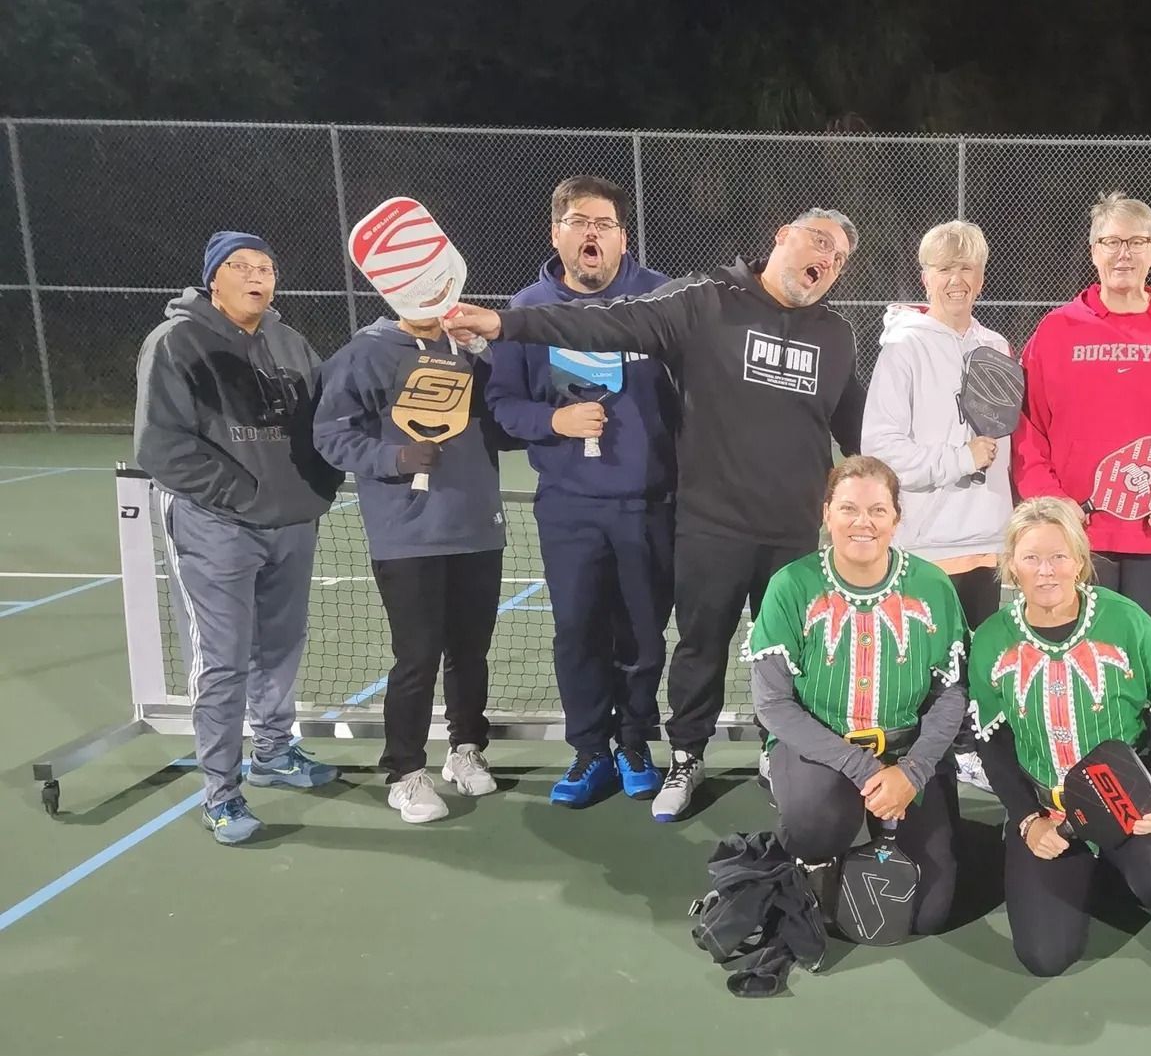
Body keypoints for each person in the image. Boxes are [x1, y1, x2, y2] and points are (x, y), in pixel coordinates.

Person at [444, 208, 866, 822]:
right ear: (782, 237)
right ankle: (688, 756)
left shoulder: (836, 334)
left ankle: (780, 753)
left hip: (795, 532)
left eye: (840, 258)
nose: (827, 260)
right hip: (712, 524)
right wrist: (506, 324)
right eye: (820, 242)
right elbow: (605, 321)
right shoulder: (705, 300)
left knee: (790, 655)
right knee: (699, 651)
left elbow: (860, 426)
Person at [133, 231, 342, 845]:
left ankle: (274, 752)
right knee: (223, 661)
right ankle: (220, 792)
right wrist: (244, 496)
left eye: (267, 268)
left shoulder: (290, 342)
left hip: (290, 524)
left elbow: (322, 421)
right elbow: (161, 447)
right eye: (242, 266)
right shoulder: (175, 342)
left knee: (281, 645)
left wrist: (315, 488)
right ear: (213, 280)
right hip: (217, 526)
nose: (257, 276)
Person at [483, 175, 678, 808]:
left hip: (650, 503)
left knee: (644, 637)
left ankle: (635, 742)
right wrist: (555, 421)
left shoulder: (661, 299)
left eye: (604, 225)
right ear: (556, 233)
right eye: (579, 223)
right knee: (577, 633)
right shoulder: (526, 309)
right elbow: (501, 404)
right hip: (568, 506)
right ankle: (591, 750)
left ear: (623, 238)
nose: (592, 234)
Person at [968, 497, 1151, 975]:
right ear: (1012, 566)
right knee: (1045, 956)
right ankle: (1098, 870)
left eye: (1059, 556)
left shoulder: (1125, 619)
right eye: (1031, 557)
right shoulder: (992, 638)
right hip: (1050, 809)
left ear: (1080, 560)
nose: (1046, 571)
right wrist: (1027, 821)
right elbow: (992, 741)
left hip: (1129, 799)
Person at [745, 456, 968, 936]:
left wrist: (913, 772)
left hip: (906, 751)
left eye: (877, 510)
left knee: (928, 916)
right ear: (827, 513)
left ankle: (886, 822)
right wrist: (866, 770)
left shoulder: (933, 585)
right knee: (815, 824)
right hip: (821, 747)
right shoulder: (790, 585)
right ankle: (814, 841)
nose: (862, 522)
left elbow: (950, 694)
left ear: (896, 518)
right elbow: (773, 702)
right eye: (848, 508)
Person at [1011, 193, 1151, 643]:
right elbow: (1027, 431)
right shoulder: (1055, 330)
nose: (1124, 254)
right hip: (1076, 536)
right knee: (1081, 657)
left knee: (1147, 658)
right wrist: (1054, 505)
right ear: (1094, 250)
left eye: (1137, 242)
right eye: (1111, 242)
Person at [314, 313, 508, 824]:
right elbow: (330, 434)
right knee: (417, 658)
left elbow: (507, 421)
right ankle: (405, 772)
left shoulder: (470, 352)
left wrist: (487, 355)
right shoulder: (365, 353)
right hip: (406, 535)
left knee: (471, 653)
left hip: (477, 527)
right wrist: (395, 458)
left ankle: (466, 749)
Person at [862, 219, 1013, 789]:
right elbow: (881, 449)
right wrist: (959, 458)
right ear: (925, 277)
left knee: (979, 658)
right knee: (922, 662)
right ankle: (916, 756)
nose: (957, 280)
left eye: (967, 268)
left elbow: (1005, 445)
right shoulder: (903, 348)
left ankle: (970, 749)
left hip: (986, 539)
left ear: (982, 276)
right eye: (945, 268)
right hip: (926, 543)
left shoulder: (996, 347)